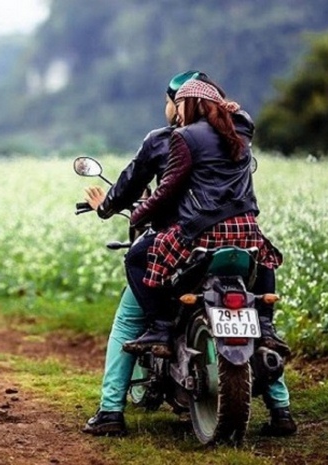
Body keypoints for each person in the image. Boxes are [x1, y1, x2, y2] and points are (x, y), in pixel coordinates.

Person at [121, 77, 296, 435]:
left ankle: (159, 327)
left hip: (201, 232)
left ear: (189, 105)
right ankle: (264, 323)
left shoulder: (184, 138)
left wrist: (139, 215)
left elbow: (169, 188)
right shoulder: (241, 128)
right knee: (263, 256)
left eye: (181, 103)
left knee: (137, 259)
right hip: (246, 229)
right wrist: (227, 107)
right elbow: (241, 116)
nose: (177, 111)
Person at [80, 70, 204, 437]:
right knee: (258, 318)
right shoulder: (233, 140)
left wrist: (107, 206)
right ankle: (280, 406)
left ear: (179, 105)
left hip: (175, 240)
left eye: (169, 101)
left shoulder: (164, 141)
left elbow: (130, 185)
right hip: (228, 237)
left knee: (128, 319)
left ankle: (110, 411)